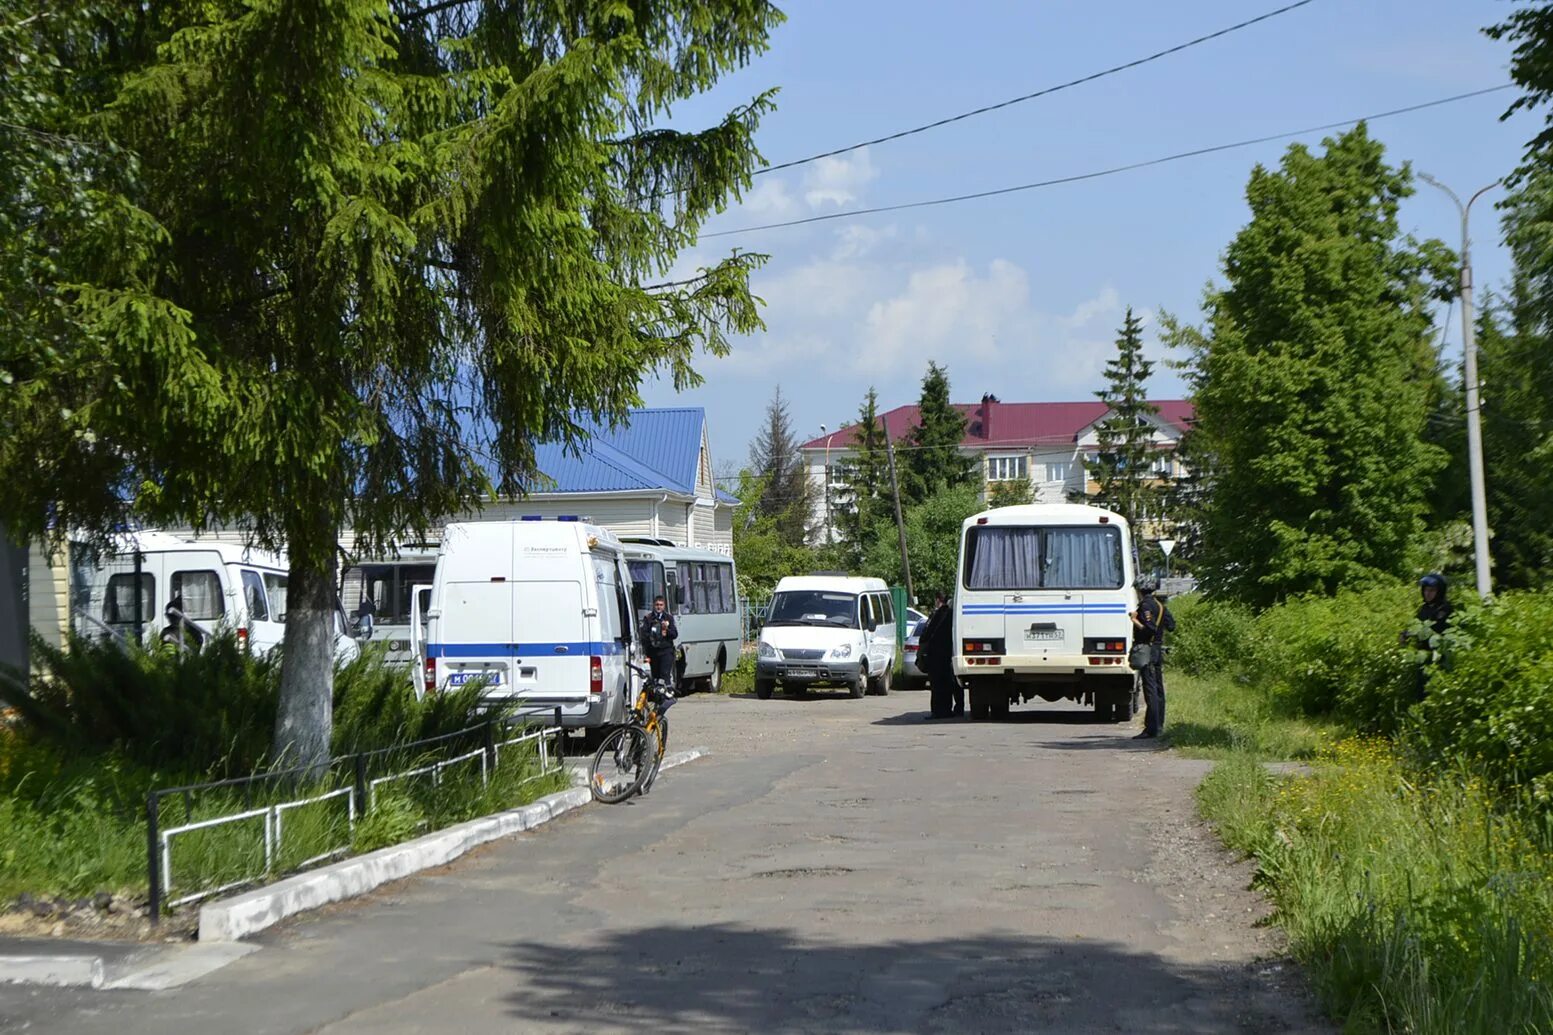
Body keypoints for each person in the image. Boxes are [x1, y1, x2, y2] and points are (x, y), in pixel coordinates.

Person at [1130, 576, 1175, 739]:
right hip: (1157, 650)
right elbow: (1171, 625)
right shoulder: (1160, 605)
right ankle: (1160, 725)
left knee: (1150, 691)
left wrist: (1135, 620)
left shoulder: (1145, 606)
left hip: (1147, 650)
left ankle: (1151, 729)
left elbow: (1150, 628)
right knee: (1158, 688)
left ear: (1140, 590)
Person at [1401, 573, 1453, 696]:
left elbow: (1431, 628)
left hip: (1438, 657)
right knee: (1421, 690)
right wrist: (1405, 634)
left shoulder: (1445, 609)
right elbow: (1417, 625)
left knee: (1433, 690)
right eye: (1426, 590)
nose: (1428, 593)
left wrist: (1413, 632)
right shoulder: (1425, 608)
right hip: (1423, 656)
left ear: (1439, 592)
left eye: (1432, 590)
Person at [918, 592, 959, 720]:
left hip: (935, 655)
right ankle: (948, 709)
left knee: (936, 686)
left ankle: (937, 711)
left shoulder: (937, 614)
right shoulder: (952, 614)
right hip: (948, 654)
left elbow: (927, 633)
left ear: (937, 600)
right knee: (948, 684)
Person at [639, 594, 679, 686]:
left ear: (664, 606)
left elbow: (674, 634)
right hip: (653, 652)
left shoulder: (668, 618)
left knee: (665, 674)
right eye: (657, 605)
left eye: (661, 605)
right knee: (655, 676)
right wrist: (653, 635)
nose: (659, 607)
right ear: (654, 605)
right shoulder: (648, 618)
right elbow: (643, 635)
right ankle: (657, 696)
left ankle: (667, 695)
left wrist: (666, 631)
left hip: (666, 651)